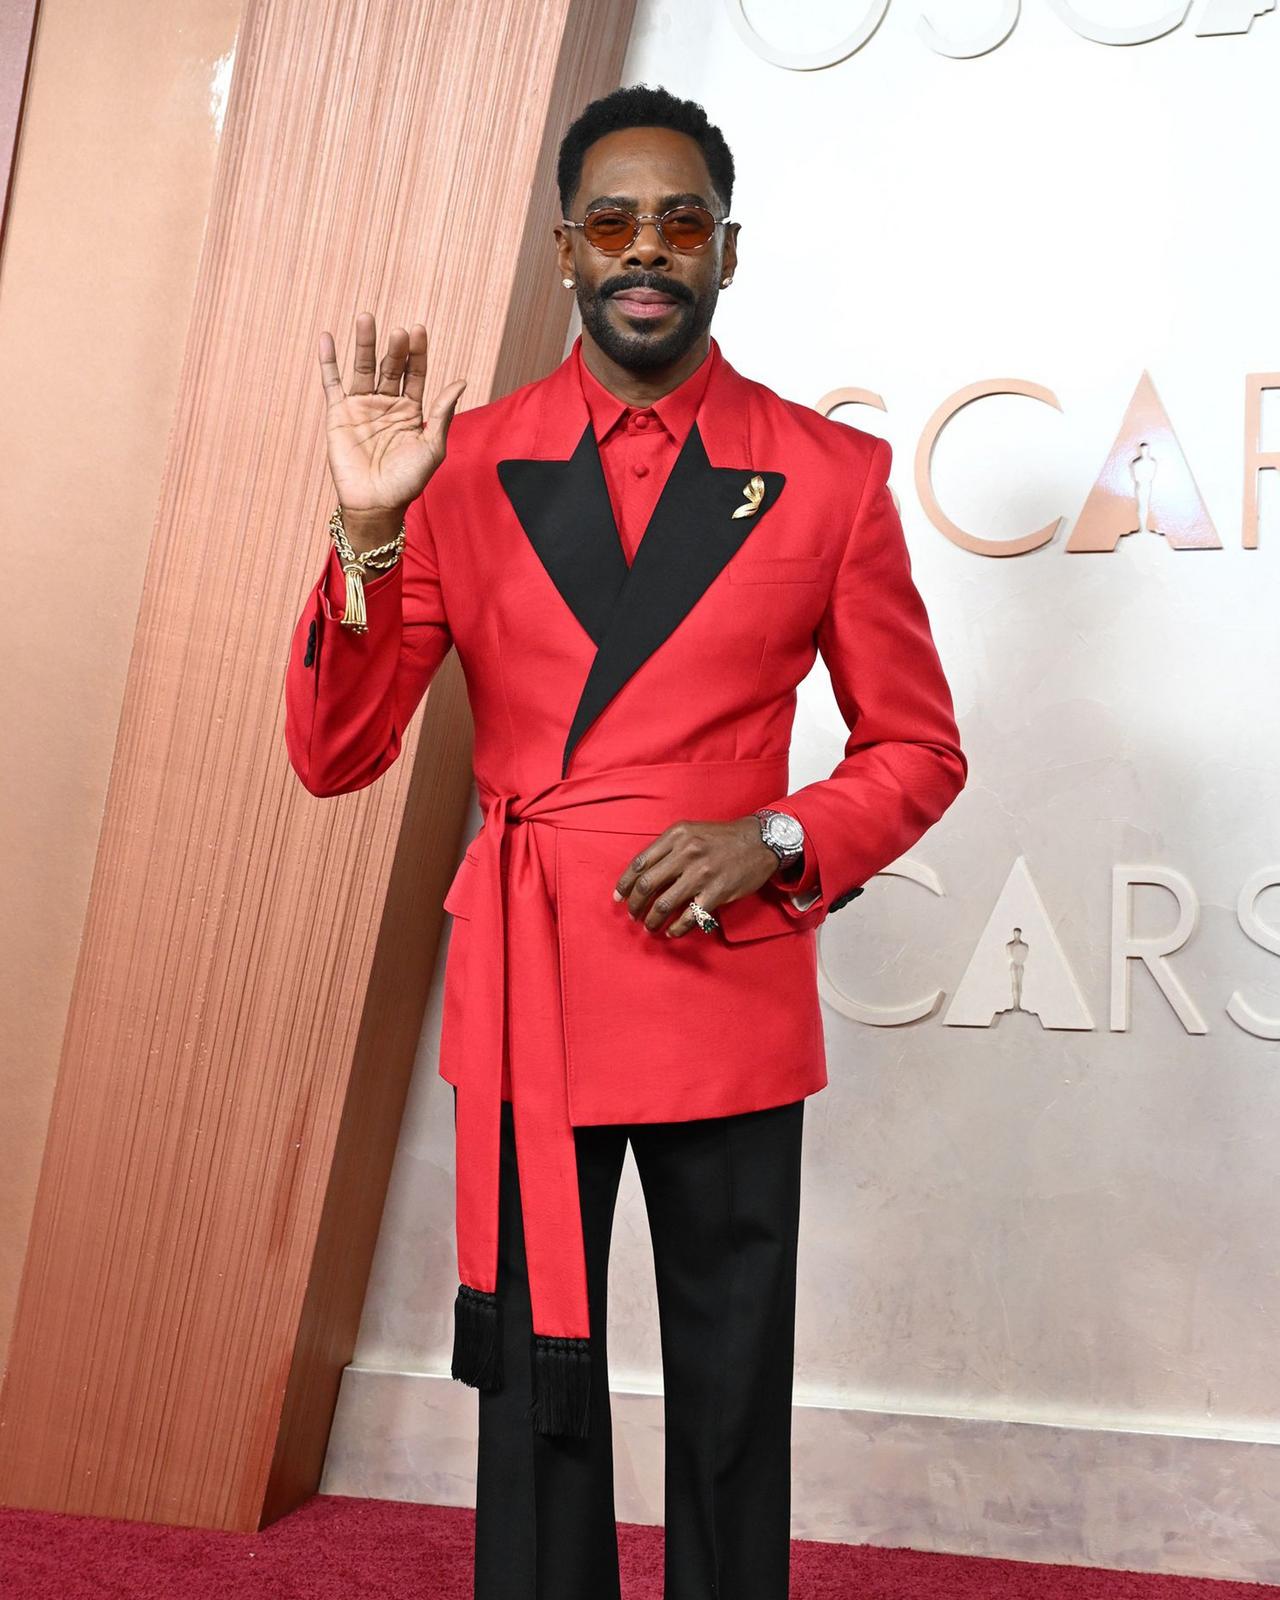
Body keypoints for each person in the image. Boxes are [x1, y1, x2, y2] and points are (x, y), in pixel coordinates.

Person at [284, 82, 967, 1600]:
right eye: (613, 220)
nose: (645, 248)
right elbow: (337, 754)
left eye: (680, 221)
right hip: (531, 987)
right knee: (538, 1389)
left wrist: (778, 835)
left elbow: (918, 747)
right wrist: (366, 531)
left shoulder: (828, 474)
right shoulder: (459, 466)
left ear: (727, 249)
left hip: (725, 981)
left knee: (731, 1389)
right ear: (565, 251)